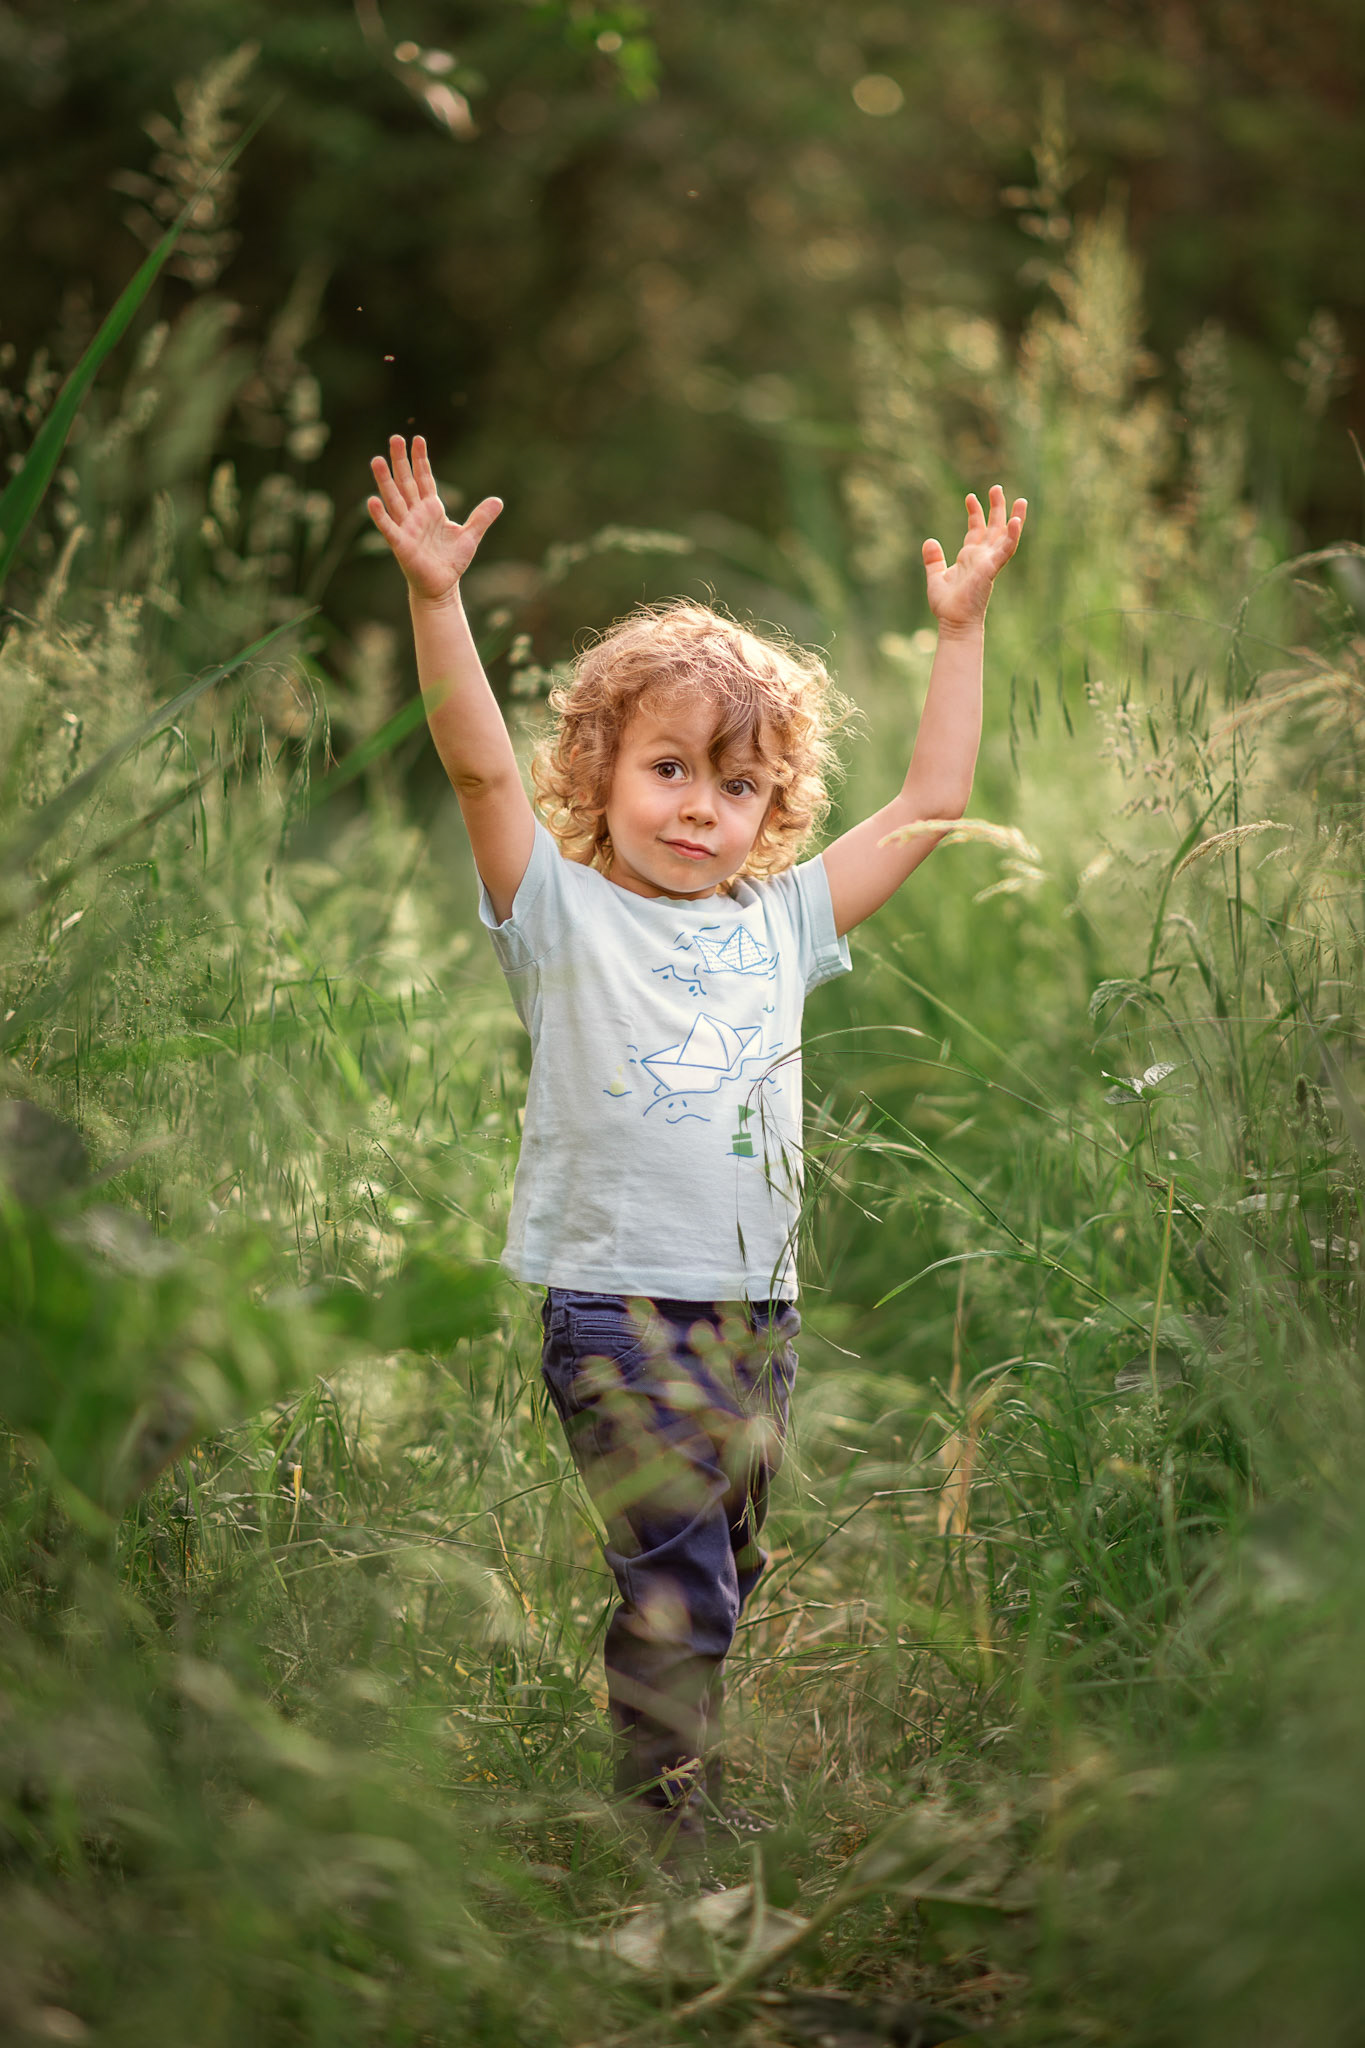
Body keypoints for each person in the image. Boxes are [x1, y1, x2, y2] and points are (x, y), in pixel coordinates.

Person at [367, 435, 1025, 1870]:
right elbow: (477, 766)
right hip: (614, 1303)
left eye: (733, 788)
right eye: (666, 769)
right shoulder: (558, 913)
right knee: (676, 1578)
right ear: (599, 772)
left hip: (753, 1314)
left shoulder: (778, 925)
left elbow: (924, 809)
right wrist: (435, 601)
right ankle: (668, 1826)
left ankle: (665, 1776)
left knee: (722, 1558)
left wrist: (959, 633)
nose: (695, 809)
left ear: (768, 812)